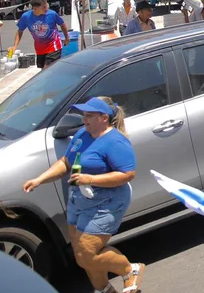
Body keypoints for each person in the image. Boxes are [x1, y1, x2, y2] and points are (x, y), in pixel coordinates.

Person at [22, 97, 142, 293]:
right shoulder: (82, 135)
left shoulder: (115, 141)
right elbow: (66, 162)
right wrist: (39, 179)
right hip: (79, 200)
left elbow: (127, 174)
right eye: (84, 115)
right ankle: (104, 289)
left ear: (104, 118)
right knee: (81, 257)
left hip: (107, 202)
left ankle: (130, 270)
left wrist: (91, 179)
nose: (84, 119)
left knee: (87, 252)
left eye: (89, 115)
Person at [13, 0, 69, 69]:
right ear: (35, 8)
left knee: (47, 69)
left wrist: (67, 38)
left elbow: (62, 24)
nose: (46, 8)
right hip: (40, 48)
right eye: (44, 7)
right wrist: (15, 46)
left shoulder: (52, 14)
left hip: (54, 45)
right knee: (43, 70)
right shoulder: (26, 17)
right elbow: (20, 31)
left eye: (46, 6)